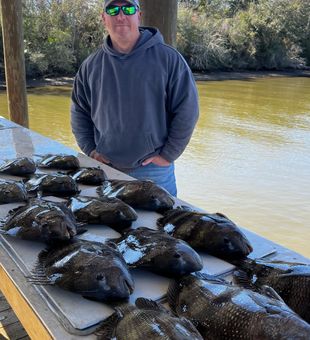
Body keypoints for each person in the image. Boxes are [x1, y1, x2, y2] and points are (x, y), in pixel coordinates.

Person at [70, 0, 199, 196]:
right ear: (104, 18)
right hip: (105, 169)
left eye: (128, 9)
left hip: (154, 170)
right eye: (113, 10)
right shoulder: (90, 65)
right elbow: (79, 111)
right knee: (109, 225)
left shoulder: (169, 59)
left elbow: (187, 110)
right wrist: (90, 150)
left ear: (138, 15)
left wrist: (168, 154)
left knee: (160, 225)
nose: (120, 16)